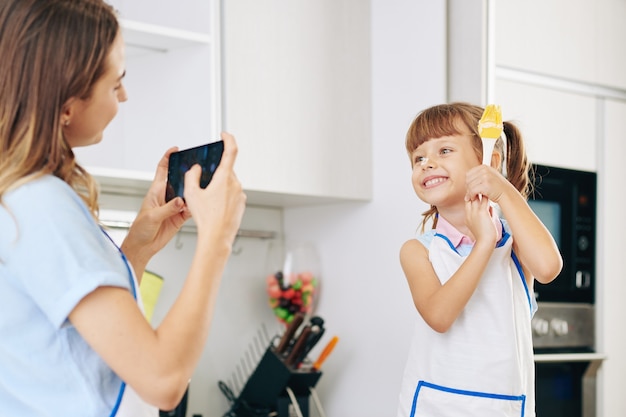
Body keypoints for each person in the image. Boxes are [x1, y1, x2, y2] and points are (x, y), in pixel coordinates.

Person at [0, 1, 246, 416]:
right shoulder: (41, 204)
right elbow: (163, 380)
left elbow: (80, 329)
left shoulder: (19, 197)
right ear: (65, 105)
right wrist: (217, 239)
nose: (125, 96)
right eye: (116, 85)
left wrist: (138, 247)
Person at [396, 103, 562, 417]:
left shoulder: (515, 244)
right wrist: (483, 243)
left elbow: (548, 267)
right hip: (436, 407)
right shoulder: (418, 250)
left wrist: (502, 190)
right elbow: (439, 316)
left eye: (444, 150)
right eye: (418, 157)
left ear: (488, 161)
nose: (427, 163)